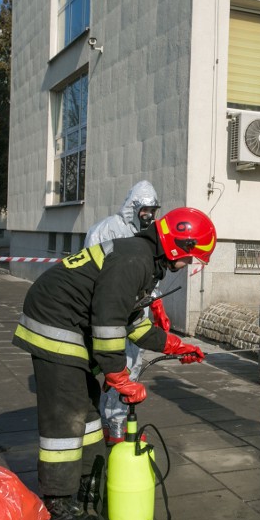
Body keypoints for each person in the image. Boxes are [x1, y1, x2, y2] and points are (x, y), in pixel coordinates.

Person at [12, 207, 216, 520]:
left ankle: (87, 483)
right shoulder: (135, 261)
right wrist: (118, 376)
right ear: (181, 245)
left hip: (67, 320)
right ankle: (58, 503)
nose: (189, 265)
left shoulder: (144, 260)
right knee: (66, 414)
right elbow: (108, 323)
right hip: (55, 322)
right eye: (192, 258)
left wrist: (176, 345)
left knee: (89, 412)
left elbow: (132, 322)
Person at [84, 180, 167, 446]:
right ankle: (111, 427)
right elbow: (89, 270)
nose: (150, 216)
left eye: (153, 211)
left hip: (135, 313)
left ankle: (115, 426)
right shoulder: (106, 230)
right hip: (111, 313)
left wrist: (156, 303)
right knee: (114, 368)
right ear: (134, 207)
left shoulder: (148, 235)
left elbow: (151, 274)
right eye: (145, 210)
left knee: (130, 367)